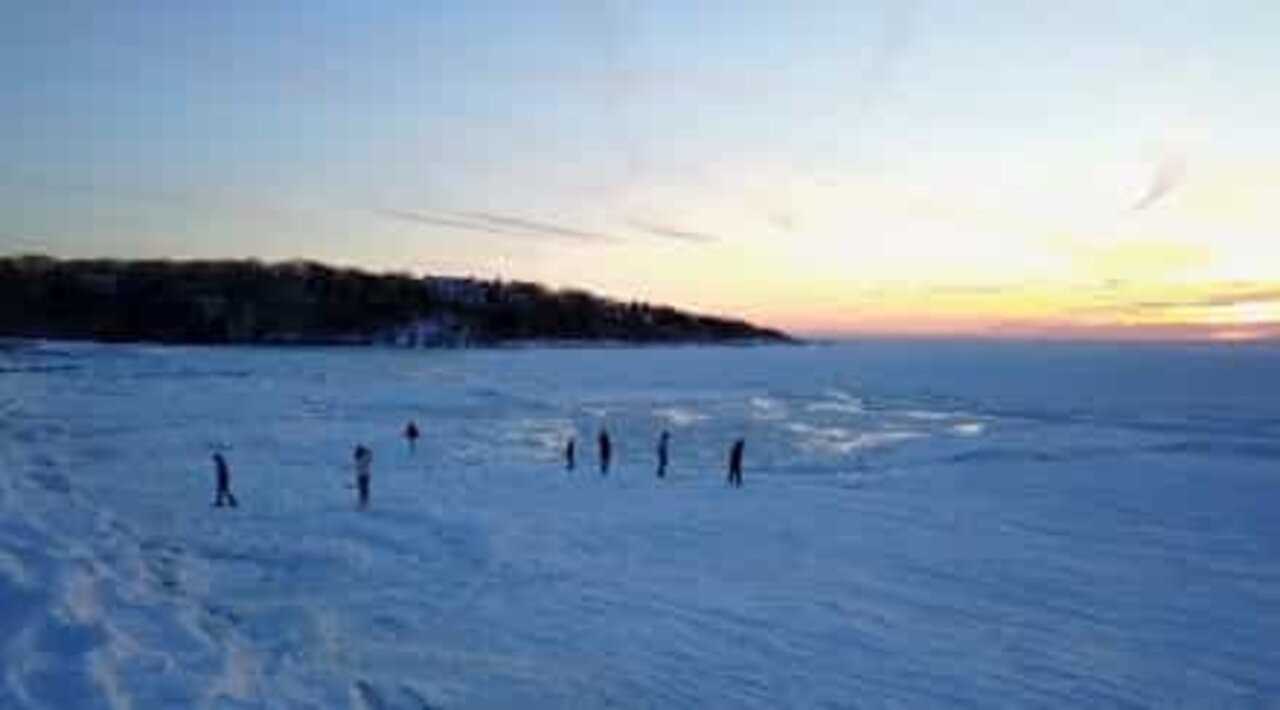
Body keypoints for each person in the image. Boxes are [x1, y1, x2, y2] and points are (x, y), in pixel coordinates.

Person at [354, 444, 373, 509]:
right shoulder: (362, 458)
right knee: (363, 490)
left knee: (363, 490)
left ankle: (363, 503)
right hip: (363, 475)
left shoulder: (363, 458)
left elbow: (359, 465)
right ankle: (363, 502)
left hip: (363, 475)